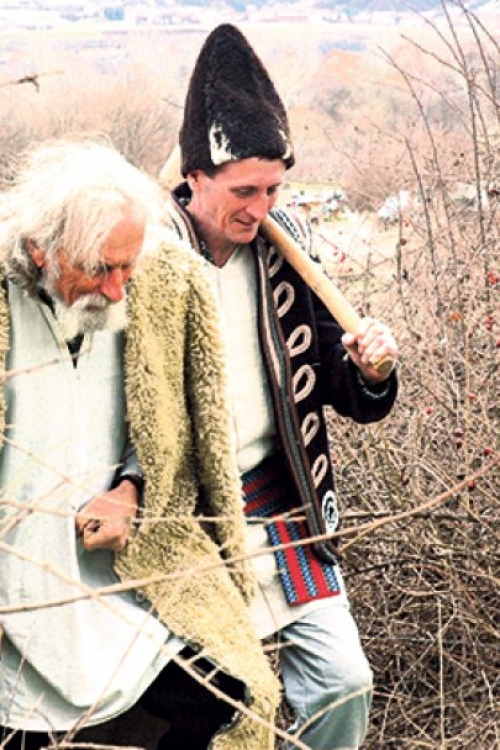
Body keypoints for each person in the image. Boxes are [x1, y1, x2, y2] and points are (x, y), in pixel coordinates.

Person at [161, 24, 399, 750]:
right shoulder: (149, 258)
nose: (260, 207)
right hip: (188, 519)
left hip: (281, 501)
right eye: (243, 191)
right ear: (196, 176)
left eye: (272, 189)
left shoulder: (286, 253)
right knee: (218, 706)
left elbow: (338, 383)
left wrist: (371, 371)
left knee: (343, 683)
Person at [0, 136, 279, 750]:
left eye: (128, 268)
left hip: (119, 582)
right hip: (15, 596)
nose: (120, 290)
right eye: (101, 269)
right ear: (40, 249)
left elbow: (167, 430)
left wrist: (132, 489)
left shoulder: (156, 286)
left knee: (228, 699)